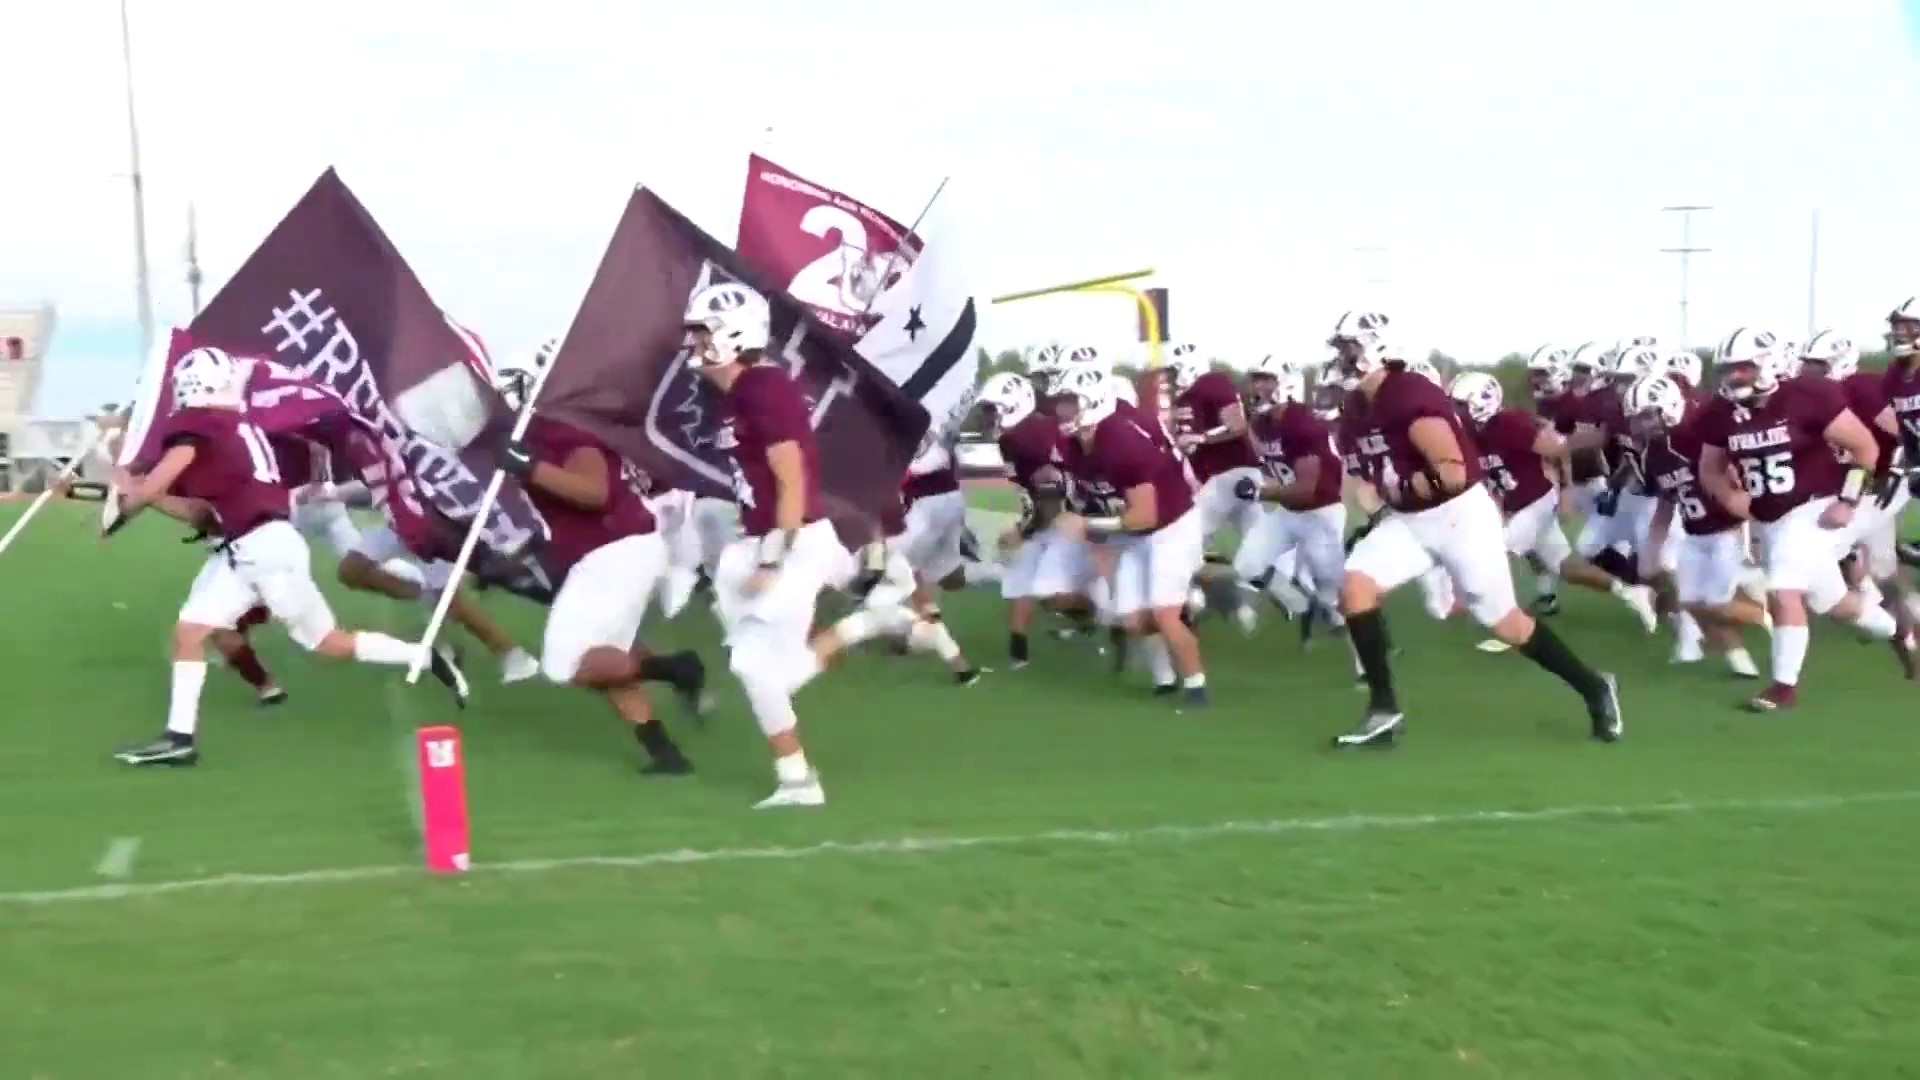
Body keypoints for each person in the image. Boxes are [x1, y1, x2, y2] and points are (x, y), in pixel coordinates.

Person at [107, 347, 466, 766]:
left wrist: (128, 498)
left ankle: (422, 656)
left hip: (265, 550)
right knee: (189, 631)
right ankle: (179, 738)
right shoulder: (231, 427)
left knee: (327, 643)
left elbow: (154, 486)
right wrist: (142, 499)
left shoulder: (201, 422)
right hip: (247, 546)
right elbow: (201, 514)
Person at [1325, 314, 1622, 748]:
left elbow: (1452, 471)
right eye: (1340, 349)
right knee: (1355, 589)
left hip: (1458, 515)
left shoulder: (1407, 393)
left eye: (1350, 348)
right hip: (1410, 519)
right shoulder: (1354, 408)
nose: (1341, 358)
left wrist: (1397, 489)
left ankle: (1594, 686)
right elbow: (1366, 475)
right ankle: (1384, 709)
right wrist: (1374, 498)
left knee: (1506, 623)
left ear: (1379, 348)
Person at [684, 282, 849, 809]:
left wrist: (775, 553)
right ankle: (862, 626)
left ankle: (799, 782)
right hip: (761, 539)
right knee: (763, 666)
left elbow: (791, 476)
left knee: (754, 667)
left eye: (701, 334)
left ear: (732, 334)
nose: (693, 344)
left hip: (793, 539)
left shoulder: (762, 386)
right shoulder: (739, 393)